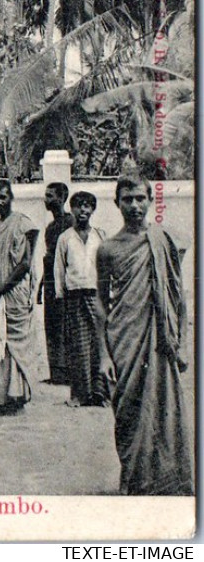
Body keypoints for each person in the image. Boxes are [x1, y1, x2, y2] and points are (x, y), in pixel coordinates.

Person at [96, 175, 193, 495]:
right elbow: (99, 301)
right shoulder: (107, 249)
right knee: (127, 412)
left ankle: (167, 483)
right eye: (128, 199)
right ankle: (134, 477)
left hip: (159, 343)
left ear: (150, 200)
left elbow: (177, 295)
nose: (135, 206)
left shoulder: (164, 240)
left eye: (140, 198)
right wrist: (104, 355)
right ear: (117, 203)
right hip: (123, 339)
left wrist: (181, 344)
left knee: (163, 411)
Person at [0, 179, 39, 415]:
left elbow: (24, 263)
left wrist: (1, 290)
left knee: (12, 345)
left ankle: (16, 397)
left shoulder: (22, 224)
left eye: (3, 196)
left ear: (11, 197)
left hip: (12, 294)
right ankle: (1, 398)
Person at [54, 191, 108, 407]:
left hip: (96, 295)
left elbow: (106, 267)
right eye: (78, 206)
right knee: (78, 346)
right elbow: (58, 269)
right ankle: (79, 395)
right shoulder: (65, 237)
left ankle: (100, 394)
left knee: (99, 344)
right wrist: (60, 295)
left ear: (93, 210)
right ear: (73, 209)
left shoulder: (100, 235)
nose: (83, 210)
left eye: (87, 206)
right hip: (74, 296)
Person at [38, 181, 73, 385]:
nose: (46, 199)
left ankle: (68, 372)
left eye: (50, 196)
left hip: (64, 281)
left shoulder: (70, 222)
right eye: (46, 195)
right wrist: (42, 283)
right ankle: (56, 373)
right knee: (51, 325)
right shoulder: (51, 227)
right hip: (51, 281)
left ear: (61, 198)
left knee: (64, 326)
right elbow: (49, 257)